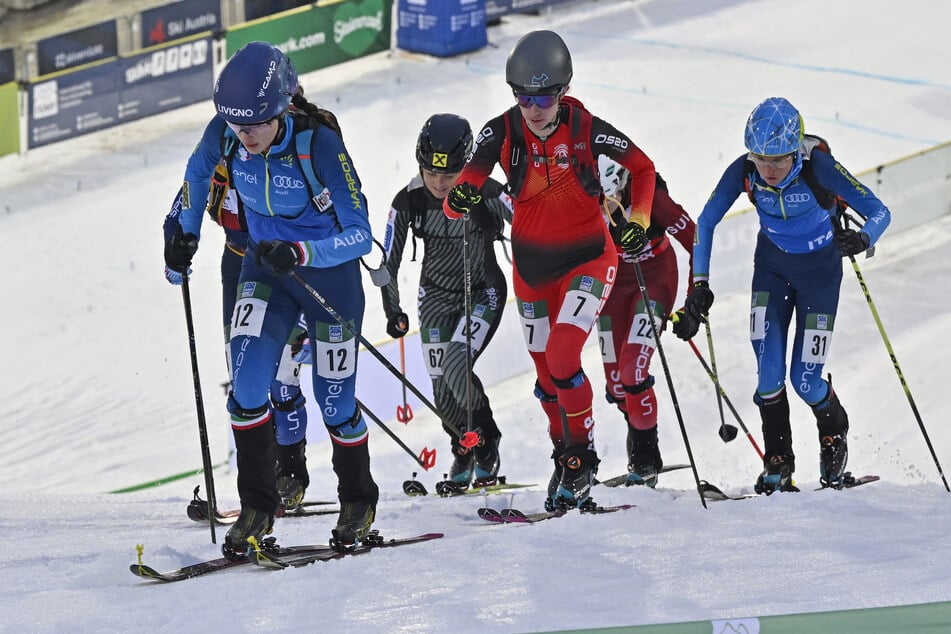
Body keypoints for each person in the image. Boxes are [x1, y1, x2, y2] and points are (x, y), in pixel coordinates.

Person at [163, 41, 378, 555]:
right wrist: (181, 234)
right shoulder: (225, 133)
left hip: (328, 279)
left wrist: (303, 251)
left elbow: (360, 235)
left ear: (282, 106)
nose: (246, 135)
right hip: (264, 269)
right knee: (247, 385)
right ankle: (257, 507)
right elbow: (196, 176)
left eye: (257, 123)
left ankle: (358, 500)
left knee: (335, 401)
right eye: (237, 124)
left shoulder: (318, 143)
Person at [443, 30, 656, 511]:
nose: (533, 108)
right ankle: (564, 454)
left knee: (563, 357)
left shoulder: (586, 128)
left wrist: (639, 223)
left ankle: (582, 457)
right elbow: (464, 189)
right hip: (532, 271)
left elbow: (643, 168)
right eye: (523, 97)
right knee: (545, 377)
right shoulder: (501, 131)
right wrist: (461, 197)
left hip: (588, 259)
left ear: (563, 91)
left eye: (543, 97)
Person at [683, 96, 891, 493]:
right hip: (772, 271)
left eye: (778, 160)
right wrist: (700, 284)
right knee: (768, 373)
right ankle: (778, 461)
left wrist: (863, 237)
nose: (769, 170)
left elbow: (880, 211)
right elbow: (705, 222)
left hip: (820, 275)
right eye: (761, 159)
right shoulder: (745, 171)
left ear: (795, 150)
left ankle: (833, 430)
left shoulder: (819, 167)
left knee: (805, 379)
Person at [163, 169, 311, 513]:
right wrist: (174, 249)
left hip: (282, 264)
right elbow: (180, 209)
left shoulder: (281, 154)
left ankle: (291, 472)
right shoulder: (215, 158)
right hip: (237, 263)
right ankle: (261, 483)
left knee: (282, 378)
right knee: (244, 378)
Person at [381, 113, 513, 492]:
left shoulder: (486, 189)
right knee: (441, 389)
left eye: (451, 175)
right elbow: (388, 261)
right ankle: (463, 448)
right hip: (435, 298)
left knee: (456, 365)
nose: (439, 183)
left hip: (482, 292)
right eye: (431, 173)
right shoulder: (407, 200)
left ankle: (487, 442)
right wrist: (393, 310)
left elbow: (529, 221)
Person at [595, 157, 697, 488]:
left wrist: (693, 303)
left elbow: (696, 240)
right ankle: (640, 434)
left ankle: (645, 459)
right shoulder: (586, 196)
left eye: (611, 197)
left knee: (632, 371)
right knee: (616, 386)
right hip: (612, 282)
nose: (606, 205)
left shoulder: (651, 198)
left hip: (653, 277)